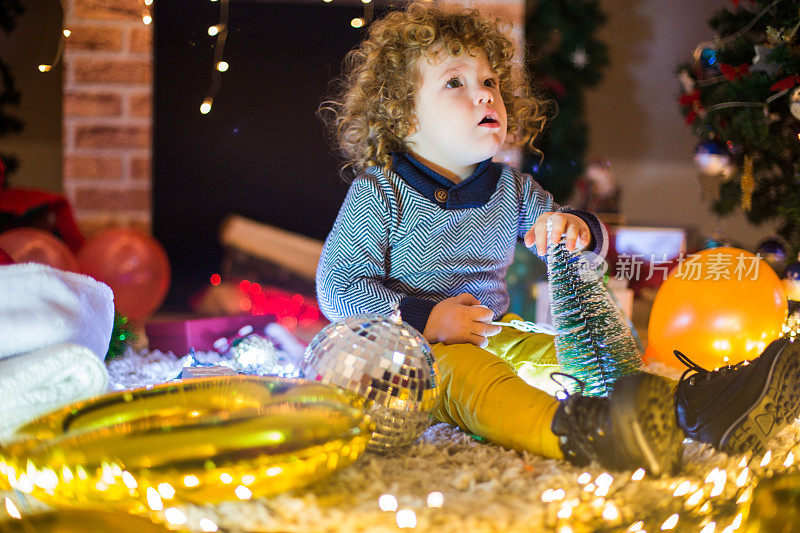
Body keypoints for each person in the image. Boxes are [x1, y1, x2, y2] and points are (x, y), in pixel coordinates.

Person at [316, 1, 800, 475]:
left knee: (575, 358)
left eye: (490, 82)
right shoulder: (380, 191)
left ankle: (697, 407)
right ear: (404, 119)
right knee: (476, 381)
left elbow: (582, 237)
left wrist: (575, 228)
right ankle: (581, 432)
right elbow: (338, 286)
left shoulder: (512, 188)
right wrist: (427, 318)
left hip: (495, 332)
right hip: (411, 358)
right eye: (455, 83)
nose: (485, 94)